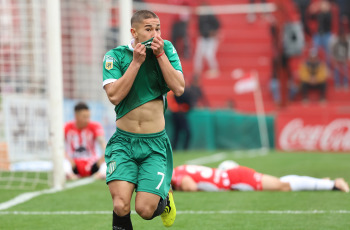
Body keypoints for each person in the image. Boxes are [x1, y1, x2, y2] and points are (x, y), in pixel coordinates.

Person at [102, 10, 185, 229]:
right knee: (120, 205)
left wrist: (159, 56)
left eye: (158, 29)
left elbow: (178, 88)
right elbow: (114, 96)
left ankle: (164, 199)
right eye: (149, 29)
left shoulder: (166, 49)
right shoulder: (115, 56)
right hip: (123, 143)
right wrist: (136, 63)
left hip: (154, 144)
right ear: (134, 32)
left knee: (145, 211)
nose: (155, 34)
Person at [171, 161, 349, 193]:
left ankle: (334, 184)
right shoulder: (180, 167)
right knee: (280, 183)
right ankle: (321, 182)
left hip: (235, 179)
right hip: (233, 177)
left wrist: (175, 188)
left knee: (283, 186)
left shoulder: (176, 176)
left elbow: (190, 187)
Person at [64, 102, 107, 180]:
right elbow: (57, 146)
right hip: (73, 163)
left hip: (93, 164)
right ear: (76, 116)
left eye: (88, 117)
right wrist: (67, 158)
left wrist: (106, 155)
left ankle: (101, 173)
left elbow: (103, 143)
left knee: (109, 158)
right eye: (84, 117)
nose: (87, 119)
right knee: (62, 161)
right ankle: (69, 174)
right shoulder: (66, 127)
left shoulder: (95, 126)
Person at [193, 0, 220, 78]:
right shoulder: (200, 16)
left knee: (209, 54)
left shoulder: (211, 16)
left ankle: (215, 69)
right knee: (198, 54)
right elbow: (199, 27)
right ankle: (197, 70)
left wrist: (214, 33)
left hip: (211, 38)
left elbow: (217, 25)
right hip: (203, 37)